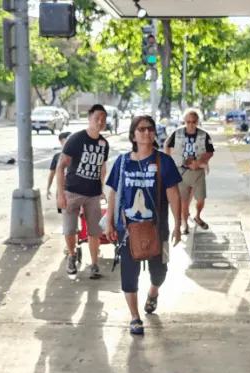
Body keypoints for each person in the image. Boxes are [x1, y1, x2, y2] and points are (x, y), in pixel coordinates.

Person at [104, 115, 182, 335]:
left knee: (160, 272)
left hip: (158, 229)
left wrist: (178, 224)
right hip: (127, 230)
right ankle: (135, 317)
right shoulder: (122, 162)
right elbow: (113, 193)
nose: (146, 133)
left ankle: (153, 292)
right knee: (129, 274)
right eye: (141, 129)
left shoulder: (163, 162)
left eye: (150, 129)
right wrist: (109, 222)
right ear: (133, 134)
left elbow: (174, 194)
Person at [56, 104, 109, 279]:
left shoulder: (104, 144)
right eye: (97, 118)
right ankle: (72, 256)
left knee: (94, 232)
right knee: (70, 229)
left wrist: (101, 188)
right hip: (72, 192)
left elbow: (102, 166)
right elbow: (60, 166)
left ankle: (94, 264)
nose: (100, 122)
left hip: (93, 194)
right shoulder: (76, 139)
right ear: (89, 118)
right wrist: (60, 193)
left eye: (103, 118)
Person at [164, 108, 214, 234]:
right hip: (181, 171)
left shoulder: (204, 134)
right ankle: (185, 225)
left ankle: (197, 216)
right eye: (188, 122)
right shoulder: (177, 133)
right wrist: (171, 162)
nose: (191, 125)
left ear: (197, 122)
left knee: (201, 199)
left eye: (194, 122)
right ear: (184, 121)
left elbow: (210, 152)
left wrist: (201, 161)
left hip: (198, 172)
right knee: (184, 201)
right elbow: (167, 145)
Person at [47, 131, 72, 209]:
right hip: (62, 190)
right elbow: (52, 174)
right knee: (65, 214)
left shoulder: (78, 155)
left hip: (74, 190)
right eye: (67, 140)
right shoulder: (57, 156)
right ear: (61, 142)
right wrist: (48, 188)